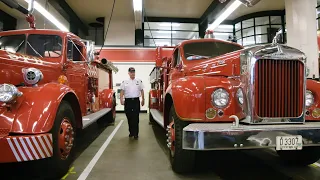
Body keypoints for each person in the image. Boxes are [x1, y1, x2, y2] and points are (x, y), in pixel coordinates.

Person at [120, 67, 145, 139]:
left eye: (133, 72)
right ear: (128, 73)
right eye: (131, 72)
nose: (132, 73)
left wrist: (143, 99)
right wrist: (121, 99)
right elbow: (122, 91)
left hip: (136, 101)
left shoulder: (139, 81)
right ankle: (131, 132)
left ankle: (136, 134)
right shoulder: (125, 81)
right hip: (128, 101)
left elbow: (142, 90)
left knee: (136, 117)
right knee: (129, 117)